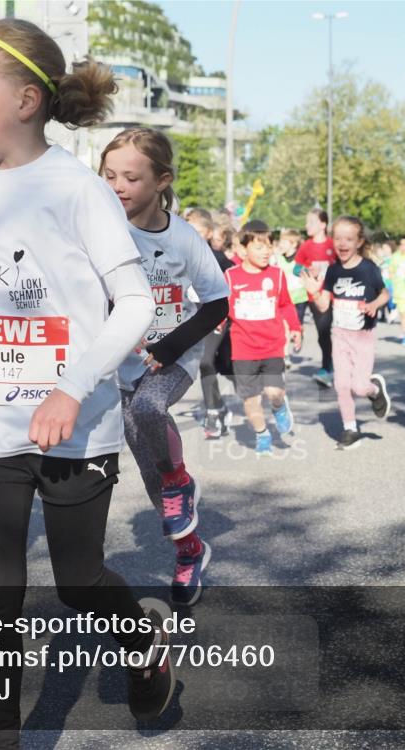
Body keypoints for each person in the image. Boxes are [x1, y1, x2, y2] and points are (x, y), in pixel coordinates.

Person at [0, 19, 174, 744]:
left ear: (27, 100)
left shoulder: (77, 189)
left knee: (77, 582)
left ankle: (143, 645)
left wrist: (70, 388)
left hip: (76, 420)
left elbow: (135, 303)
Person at [100, 127, 228, 606]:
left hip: (171, 360)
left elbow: (217, 305)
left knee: (150, 410)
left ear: (161, 181)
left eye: (131, 177)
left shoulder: (183, 238)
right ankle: (189, 550)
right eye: (109, 175)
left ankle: (181, 478)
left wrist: (171, 347)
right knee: (149, 468)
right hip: (118, 364)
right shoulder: (101, 232)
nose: (118, 186)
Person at [301, 216, 390, 450]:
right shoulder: (333, 271)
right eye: (338, 238)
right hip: (339, 335)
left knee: (359, 387)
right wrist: (313, 292)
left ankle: (374, 389)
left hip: (363, 336)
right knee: (341, 384)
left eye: (348, 239)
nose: (342, 243)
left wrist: (374, 305)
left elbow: (385, 294)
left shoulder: (369, 268)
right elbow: (323, 305)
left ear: (359, 242)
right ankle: (350, 428)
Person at [226, 223, 302, 455]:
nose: (266, 251)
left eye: (269, 246)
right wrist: (216, 323)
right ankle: (262, 433)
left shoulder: (277, 275)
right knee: (250, 398)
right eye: (259, 247)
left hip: (272, 345)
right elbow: (222, 307)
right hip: (243, 349)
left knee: (273, 392)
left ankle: (279, 408)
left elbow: (286, 304)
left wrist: (296, 328)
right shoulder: (230, 276)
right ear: (244, 248)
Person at [189, 208, 236, 439]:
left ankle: (219, 409)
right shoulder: (181, 255)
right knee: (205, 363)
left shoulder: (218, 258)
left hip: (216, 315)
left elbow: (234, 280)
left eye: (197, 231)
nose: (192, 235)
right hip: (193, 316)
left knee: (212, 362)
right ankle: (216, 411)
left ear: (208, 233)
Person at [296, 208, 335, 386]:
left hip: (336, 296)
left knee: (343, 333)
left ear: (323, 224)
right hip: (315, 297)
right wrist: (306, 270)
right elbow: (296, 268)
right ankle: (327, 367)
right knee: (323, 332)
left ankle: (340, 366)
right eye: (306, 222)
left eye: (310, 222)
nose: (307, 225)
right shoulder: (306, 246)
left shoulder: (332, 245)